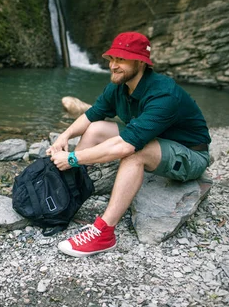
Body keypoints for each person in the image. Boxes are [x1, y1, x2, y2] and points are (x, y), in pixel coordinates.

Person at [46, 32, 211, 258]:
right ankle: (70, 192)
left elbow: (127, 147)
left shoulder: (164, 93)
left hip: (189, 154)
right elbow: (92, 115)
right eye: (111, 59)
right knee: (96, 128)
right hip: (156, 139)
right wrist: (64, 136)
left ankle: (104, 233)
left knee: (135, 152)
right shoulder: (119, 85)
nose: (113, 65)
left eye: (121, 60)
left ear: (141, 62)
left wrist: (73, 158)